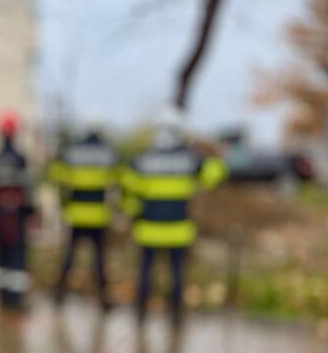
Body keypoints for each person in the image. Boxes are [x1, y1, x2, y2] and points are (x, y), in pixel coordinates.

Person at [122, 108, 227, 325]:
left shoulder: (143, 159)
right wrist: (217, 156)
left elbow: (129, 191)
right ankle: (176, 316)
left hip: (148, 229)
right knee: (177, 273)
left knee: (146, 272)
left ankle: (141, 313)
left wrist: (133, 214)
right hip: (178, 230)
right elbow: (214, 177)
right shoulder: (190, 159)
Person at [49, 117, 119, 310]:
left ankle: (59, 294)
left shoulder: (72, 151)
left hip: (76, 214)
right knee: (100, 259)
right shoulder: (108, 152)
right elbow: (118, 178)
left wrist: (64, 200)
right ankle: (104, 299)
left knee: (69, 256)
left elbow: (56, 174)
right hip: (98, 216)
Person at [0, 110, 36, 309]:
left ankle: (3, 299)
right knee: (17, 258)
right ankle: (16, 300)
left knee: (1, 256)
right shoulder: (20, 159)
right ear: (15, 133)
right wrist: (31, 212)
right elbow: (28, 190)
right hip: (17, 217)